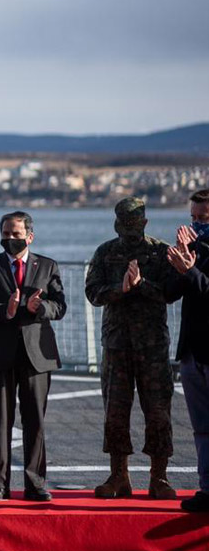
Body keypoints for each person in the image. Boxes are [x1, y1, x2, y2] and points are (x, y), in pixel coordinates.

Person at [85, 197, 180, 500]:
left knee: (158, 412)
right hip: (117, 345)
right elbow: (93, 292)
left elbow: (170, 293)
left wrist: (141, 286)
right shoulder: (105, 252)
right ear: (116, 223)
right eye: (125, 222)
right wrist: (120, 290)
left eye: (135, 222)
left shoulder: (161, 252)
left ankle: (159, 477)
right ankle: (118, 476)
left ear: (145, 222)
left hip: (152, 346)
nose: (130, 228)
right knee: (115, 412)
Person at [0, 211, 65, 502]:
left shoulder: (47, 266)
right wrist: (6, 311)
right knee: (1, 420)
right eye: (6, 234)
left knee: (34, 419)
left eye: (16, 234)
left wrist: (40, 308)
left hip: (37, 354)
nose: (10, 239)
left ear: (29, 236)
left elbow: (59, 306)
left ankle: (35, 484)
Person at [165, 189, 209, 513]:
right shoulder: (192, 248)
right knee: (201, 427)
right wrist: (181, 261)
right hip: (193, 352)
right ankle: (207, 488)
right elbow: (169, 293)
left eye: (203, 219)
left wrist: (190, 270)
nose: (195, 224)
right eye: (193, 218)